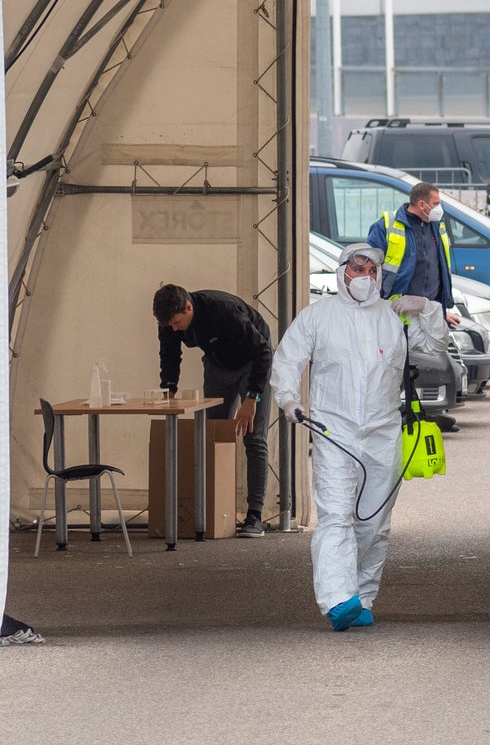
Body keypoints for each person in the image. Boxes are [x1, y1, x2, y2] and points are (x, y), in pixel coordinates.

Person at [271, 244, 428, 631]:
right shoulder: (318, 315)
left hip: (383, 433)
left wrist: (428, 308)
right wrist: (287, 398)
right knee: (337, 517)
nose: (365, 276)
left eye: (372, 270)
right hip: (334, 432)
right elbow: (288, 358)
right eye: (358, 269)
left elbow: (435, 345)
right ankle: (339, 599)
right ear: (342, 272)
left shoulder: (393, 318)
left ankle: (363, 596)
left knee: (374, 522)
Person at [154, 283, 275, 537]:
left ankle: (254, 516)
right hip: (217, 364)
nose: (173, 329)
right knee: (213, 435)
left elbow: (263, 350)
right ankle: (216, 509)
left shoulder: (225, 312)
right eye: (169, 326)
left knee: (253, 437)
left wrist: (252, 398)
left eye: (177, 323)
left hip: (252, 362)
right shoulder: (168, 321)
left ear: (188, 307)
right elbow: (169, 354)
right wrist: (169, 390)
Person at [368, 182, 464, 429]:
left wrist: (442, 309)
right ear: (421, 204)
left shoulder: (435, 225)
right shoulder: (388, 226)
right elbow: (371, 268)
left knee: (423, 364)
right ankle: (392, 416)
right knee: (393, 367)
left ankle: (421, 412)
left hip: (426, 309)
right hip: (396, 311)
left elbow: (440, 268)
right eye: (435, 203)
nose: (438, 208)